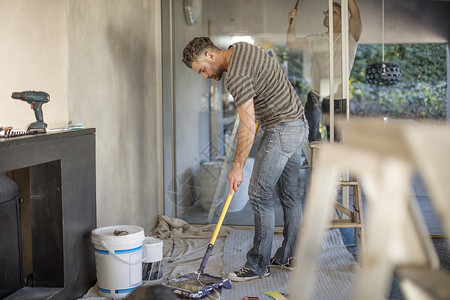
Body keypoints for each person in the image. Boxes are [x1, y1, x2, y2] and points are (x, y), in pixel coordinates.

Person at [182, 37, 308, 281]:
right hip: (298, 125)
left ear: (209, 55)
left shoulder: (236, 77)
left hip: (281, 129)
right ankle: (288, 257)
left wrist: (237, 167)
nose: (205, 76)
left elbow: (248, 125)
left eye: (202, 70)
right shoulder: (241, 48)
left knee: (260, 195)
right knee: (290, 196)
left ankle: (258, 265)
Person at [287, 0, 362, 144]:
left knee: (335, 140)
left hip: (338, 98)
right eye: (326, 11)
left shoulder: (349, 38)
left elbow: (356, 15)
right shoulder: (317, 39)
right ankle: (312, 161)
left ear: (342, 19)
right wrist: (292, 24)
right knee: (308, 133)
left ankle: (333, 164)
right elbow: (291, 43)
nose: (327, 14)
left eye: (332, 12)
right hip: (317, 95)